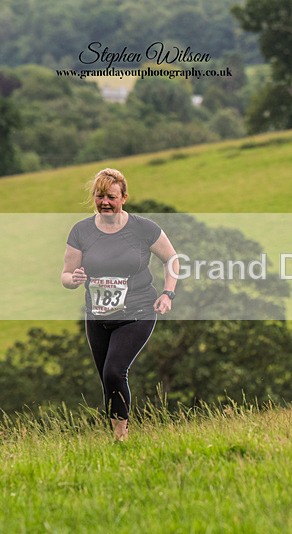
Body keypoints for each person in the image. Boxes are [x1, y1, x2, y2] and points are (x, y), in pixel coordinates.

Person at [61, 168, 179, 441]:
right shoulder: (81, 231)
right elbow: (66, 275)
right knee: (107, 379)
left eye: (111, 197)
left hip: (138, 311)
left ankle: (121, 435)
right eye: (99, 196)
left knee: (115, 370)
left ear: (124, 198)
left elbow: (172, 259)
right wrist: (73, 278)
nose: (105, 202)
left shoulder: (143, 228)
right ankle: (117, 434)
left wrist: (167, 293)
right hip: (98, 316)